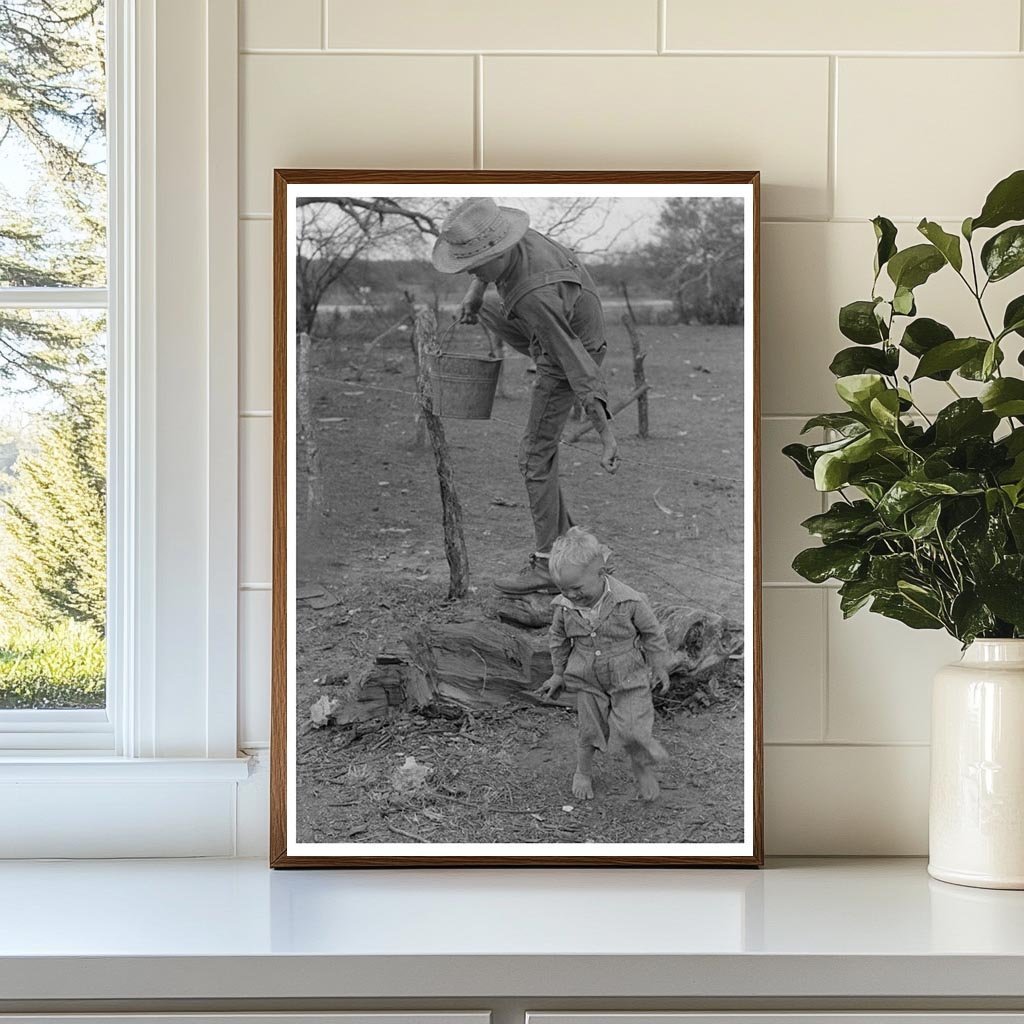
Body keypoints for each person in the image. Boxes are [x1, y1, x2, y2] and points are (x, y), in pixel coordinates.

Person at [431, 198, 620, 595]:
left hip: (571, 352)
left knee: (534, 455)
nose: (474, 272)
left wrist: (605, 433)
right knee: (481, 309)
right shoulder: (517, 243)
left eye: (477, 265)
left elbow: (576, 361)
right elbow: (489, 271)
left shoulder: (533, 294)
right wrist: (475, 294)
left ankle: (547, 565)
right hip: (557, 330)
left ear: (499, 251)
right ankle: (577, 555)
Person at [537, 527, 671, 802]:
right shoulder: (565, 608)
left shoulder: (630, 601)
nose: (571, 595)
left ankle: (641, 767)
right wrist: (558, 674)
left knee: (634, 727)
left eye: (576, 588)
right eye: (563, 589)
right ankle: (583, 771)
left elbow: (652, 633)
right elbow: (558, 639)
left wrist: (659, 666)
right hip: (587, 678)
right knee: (588, 729)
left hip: (628, 675)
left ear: (601, 574)